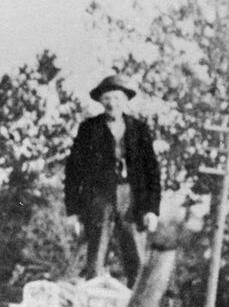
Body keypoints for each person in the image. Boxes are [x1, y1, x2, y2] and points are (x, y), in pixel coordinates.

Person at [63, 74, 161, 285]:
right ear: (101, 101)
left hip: (132, 197)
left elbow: (152, 171)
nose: (112, 103)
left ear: (125, 100)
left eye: (116, 98)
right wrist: (72, 212)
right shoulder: (89, 128)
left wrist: (152, 209)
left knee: (136, 255)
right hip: (100, 196)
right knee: (96, 255)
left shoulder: (139, 129)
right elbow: (73, 171)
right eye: (107, 98)